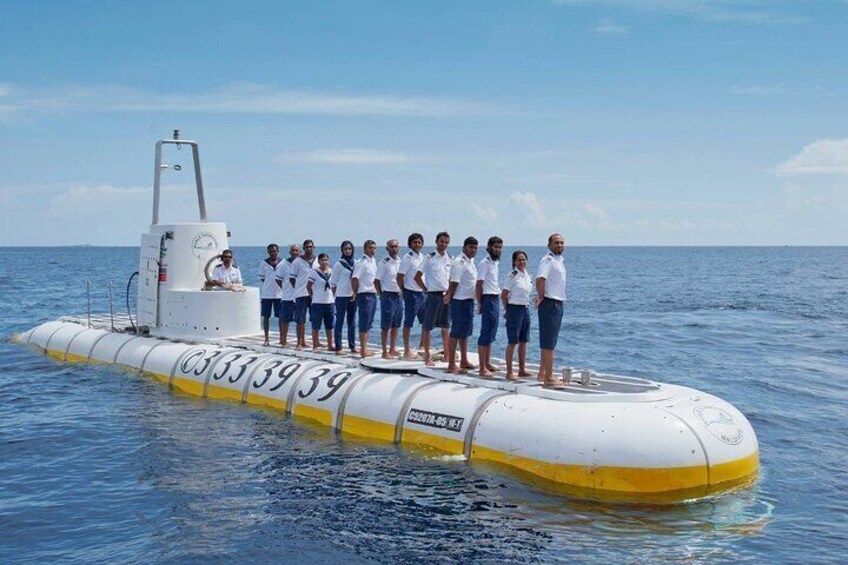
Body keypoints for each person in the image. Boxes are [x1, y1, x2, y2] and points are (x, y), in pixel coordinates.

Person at [414, 232, 452, 367]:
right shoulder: (429, 258)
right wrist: (425, 289)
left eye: (446, 242)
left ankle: (447, 356)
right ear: (436, 241)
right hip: (433, 295)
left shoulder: (450, 258)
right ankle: (427, 357)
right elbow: (417, 276)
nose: (444, 244)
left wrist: (450, 293)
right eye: (441, 241)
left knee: (446, 326)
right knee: (427, 326)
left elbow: (451, 279)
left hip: (446, 296)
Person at [535, 233, 567, 387]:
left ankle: (542, 373)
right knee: (549, 342)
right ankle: (549, 377)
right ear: (549, 245)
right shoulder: (548, 260)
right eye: (556, 243)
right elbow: (540, 278)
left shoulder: (558, 260)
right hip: (550, 302)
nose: (559, 245)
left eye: (561, 243)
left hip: (557, 301)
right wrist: (541, 296)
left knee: (549, 340)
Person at [444, 236, 478, 374]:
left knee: (465, 333)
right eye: (471, 247)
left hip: (469, 300)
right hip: (459, 301)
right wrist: (449, 296)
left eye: (475, 248)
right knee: (456, 332)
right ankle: (451, 363)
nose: (473, 250)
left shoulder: (470, 262)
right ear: (464, 247)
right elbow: (454, 281)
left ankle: (464, 360)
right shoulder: (460, 262)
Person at [502, 250, 533, 381]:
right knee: (512, 341)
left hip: (525, 309)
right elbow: (504, 295)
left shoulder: (527, 275)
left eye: (524, 259)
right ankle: (509, 371)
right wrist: (507, 311)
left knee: (523, 341)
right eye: (519, 260)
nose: (522, 262)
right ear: (514, 262)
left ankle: (521, 369)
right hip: (514, 309)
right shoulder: (512, 276)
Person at [476, 236, 503, 377]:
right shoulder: (484, 263)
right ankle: (482, 367)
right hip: (487, 299)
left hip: (495, 298)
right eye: (495, 247)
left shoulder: (495, 263)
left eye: (499, 247)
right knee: (486, 332)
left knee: (492, 330)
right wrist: (480, 303)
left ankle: (487, 362)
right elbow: (479, 284)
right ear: (489, 247)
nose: (498, 250)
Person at [397, 233, 425, 359]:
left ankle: (422, 347)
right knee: (408, 322)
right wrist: (404, 291)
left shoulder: (423, 257)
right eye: (415, 242)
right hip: (411, 293)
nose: (417, 244)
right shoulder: (407, 258)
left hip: (422, 293)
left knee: (426, 322)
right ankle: (406, 349)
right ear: (410, 244)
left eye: (419, 242)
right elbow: (399, 277)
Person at [376, 239, 403, 359]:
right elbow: (377, 280)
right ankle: (384, 351)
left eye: (396, 246)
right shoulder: (384, 263)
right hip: (388, 295)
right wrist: (381, 294)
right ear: (387, 248)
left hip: (399, 296)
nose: (394, 249)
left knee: (396, 324)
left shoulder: (400, 262)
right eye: (392, 246)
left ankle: (392, 348)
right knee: (386, 325)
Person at [351, 240, 378, 358]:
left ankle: (365, 348)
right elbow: (354, 278)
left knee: (369, 323)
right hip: (364, 294)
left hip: (373, 294)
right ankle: (363, 350)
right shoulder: (362, 262)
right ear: (365, 249)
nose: (372, 250)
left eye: (374, 248)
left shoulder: (373, 261)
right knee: (364, 322)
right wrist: (356, 293)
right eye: (370, 248)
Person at [330, 240, 357, 356]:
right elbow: (333, 282)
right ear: (342, 250)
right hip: (341, 296)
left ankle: (352, 345)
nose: (347, 251)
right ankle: (339, 346)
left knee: (352, 321)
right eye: (345, 249)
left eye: (349, 249)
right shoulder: (338, 264)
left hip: (353, 295)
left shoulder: (356, 263)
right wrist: (336, 295)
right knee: (340, 321)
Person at [289, 239, 316, 349]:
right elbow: (292, 278)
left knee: (315, 319)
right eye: (306, 247)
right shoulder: (297, 261)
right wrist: (298, 288)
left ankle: (315, 342)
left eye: (310, 246)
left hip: (315, 294)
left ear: (313, 247)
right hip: (301, 293)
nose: (309, 249)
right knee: (300, 319)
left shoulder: (317, 260)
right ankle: (300, 342)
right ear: (303, 249)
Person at [307, 253, 335, 352]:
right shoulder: (314, 272)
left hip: (329, 302)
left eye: (326, 260)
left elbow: (333, 285)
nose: (324, 262)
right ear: (318, 261)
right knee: (316, 325)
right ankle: (315, 345)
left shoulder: (331, 271)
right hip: (318, 302)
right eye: (322, 260)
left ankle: (330, 345)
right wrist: (312, 296)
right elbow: (309, 286)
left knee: (330, 325)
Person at [274, 243, 300, 347]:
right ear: (290, 252)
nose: (295, 252)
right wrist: (285, 288)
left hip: (299, 296)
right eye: (293, 250)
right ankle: (283, 340)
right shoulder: (283, 264)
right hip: (288, 296)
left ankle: (301, 341)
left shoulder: (302, 263)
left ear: (300, 252)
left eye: (297, 250)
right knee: (285, 320)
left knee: (300, 320)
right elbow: (278, 279)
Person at [258, 243, 282, 346]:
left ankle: (282, 338)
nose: (273, 253)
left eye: (274, 251)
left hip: (279, 294)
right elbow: (263, 278)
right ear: (268, 252)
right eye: (271, 251)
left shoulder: (283, 263)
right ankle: (266, 339)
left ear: (278, 251)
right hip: (267, 294)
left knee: (281, 317)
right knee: (266, 316)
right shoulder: (264, 263)